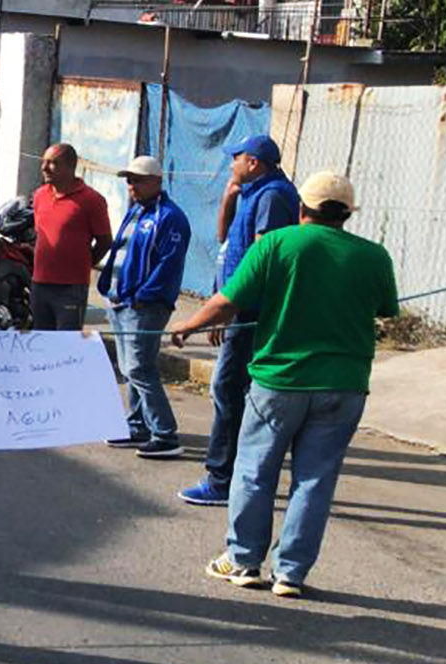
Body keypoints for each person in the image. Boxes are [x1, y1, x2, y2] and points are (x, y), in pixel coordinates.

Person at [169, 173, 396, 598]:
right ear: (347, 214)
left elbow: (226, 302)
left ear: (301, 208)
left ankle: (243, 561)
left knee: (254, 472)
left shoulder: (275, 244)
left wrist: (188, 326)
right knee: (315, 479)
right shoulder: (374, 256)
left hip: (280, 381)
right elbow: (386, 310)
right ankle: (291, 573)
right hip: (344, 385)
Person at [179, 134, 299, 507]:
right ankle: (235, 475)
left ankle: (222, 480)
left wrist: (225, 310)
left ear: (255, 162)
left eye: (237, 158)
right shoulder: (251, 193)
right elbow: (224, 240)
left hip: (251, 312)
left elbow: (264, 260)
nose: (231, 164)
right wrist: (229, 198)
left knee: (229, 390)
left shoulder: (273, 196)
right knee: (229, 391)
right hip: (234, 305)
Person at [100, 156, 193, 459]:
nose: (132, 186)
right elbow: (120, 251)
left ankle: (165, 433)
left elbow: (169, 263)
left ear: (156, 181)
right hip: (121, 300)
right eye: (129, 180)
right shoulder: (136, 212)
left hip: (144, 305)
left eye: (138, 180)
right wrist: (108, 288)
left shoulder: (170, 217)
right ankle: (138, 424)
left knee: (139, 367)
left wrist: (145, 294)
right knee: (130, 370)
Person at [30, 143, 113, 330]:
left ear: (70, 166)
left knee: (66, 346)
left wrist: (84, 263)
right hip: (40, 284)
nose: (44, 168)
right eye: (43, 162)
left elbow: (105, 241)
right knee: (40, 344)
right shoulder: (39, 195)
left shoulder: (92, 200)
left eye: (52, 163)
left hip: (71, 288)